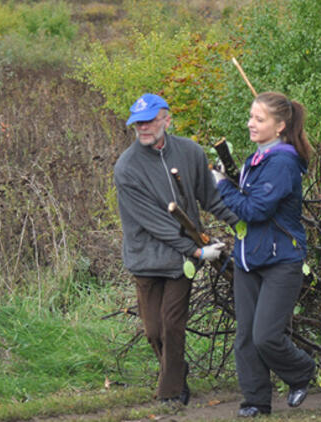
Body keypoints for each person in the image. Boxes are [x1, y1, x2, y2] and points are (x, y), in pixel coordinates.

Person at [114, 93, 238, 406]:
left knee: (172, 324)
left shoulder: (191, 152)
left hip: (181, 260)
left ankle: (170, 393)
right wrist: (197, 251)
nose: (143, 128)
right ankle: (177, 370)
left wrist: (245, 222)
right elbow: (156, 222)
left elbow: (212, 199)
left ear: (166, 120)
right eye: (138, 123)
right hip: (146, 258)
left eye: (150, 121)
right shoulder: (126, 168)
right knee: (154, 331)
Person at [212, 92, 316, 417]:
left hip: (282, 260)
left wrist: (221, 185)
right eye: (250, 117)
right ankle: (256, 401)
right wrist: (229, 177)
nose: (250, 124)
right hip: (248, 258)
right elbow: (247, 198)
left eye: (259, 119)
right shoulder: (257, 159)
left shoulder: (282, 162)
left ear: (280, 125)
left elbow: (254, 210)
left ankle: (302, 372)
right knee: (245, 338)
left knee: (266, 336)